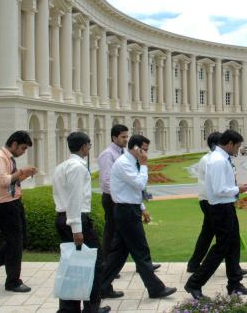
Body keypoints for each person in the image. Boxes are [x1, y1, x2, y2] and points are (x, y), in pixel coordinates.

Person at [101, 135, 176, 299]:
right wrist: (143, 165)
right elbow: (140, 184)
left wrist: (142, 208)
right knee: (141, 251)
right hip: (126, 212)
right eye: (145, 150)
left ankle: (101, 287)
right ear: (135, 148)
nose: (146, 154)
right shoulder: (124, 164)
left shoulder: (130, 162)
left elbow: (133, 191)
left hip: (130, 209)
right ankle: (155, 288)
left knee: (118, 254)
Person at [184, 130, 247, 299]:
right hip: (220, 209)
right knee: (221, 248)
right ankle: (194, 283)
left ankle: (235, 284)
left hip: (226, 206)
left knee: (233, 245)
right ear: (229, 143)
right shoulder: (217, 161)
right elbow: (218, 189)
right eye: (237, 146)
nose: (238, 150)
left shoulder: (222, 159)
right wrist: (239, 189)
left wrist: (236, 189)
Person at [53, 132, 110, 313]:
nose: (89, 149)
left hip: (63, 217)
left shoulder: (61, 166)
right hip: (76, 220)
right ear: (84, 146)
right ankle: (91, 308)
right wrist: (77, 228)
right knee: (94, 263)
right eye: (89, 145)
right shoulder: (78, 167)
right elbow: (74, 198)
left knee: (72, 265)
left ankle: (68, 309)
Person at [0, 130, 37, 292]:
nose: (23, 152)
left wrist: (25, 175)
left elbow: (13, 182)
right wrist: (22, 171)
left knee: (19, 241)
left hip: (14, 202)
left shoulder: (8, 158)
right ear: (14, 144)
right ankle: (13, 281)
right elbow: (4, 181)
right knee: (15, 244)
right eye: (23, 148)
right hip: (3, 205)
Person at [98, 124, 159, 279]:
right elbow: (109, 181)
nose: (126, 139)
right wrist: (117, 195)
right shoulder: (112, 156)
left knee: (120, 247)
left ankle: (104, 282)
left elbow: (134, 187)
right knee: (118, 237)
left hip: (126, 202)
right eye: (123, 137)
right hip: (117, 202)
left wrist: (141, 205)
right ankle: (153, 284)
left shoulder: (126, 156)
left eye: (127, 136)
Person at [187, 131, 221, 273]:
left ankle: (194, 264)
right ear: (215, 145)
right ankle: (201, 265)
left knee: (207, 234)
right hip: (211, 201)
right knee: (224, 236)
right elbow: (216, 184)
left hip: (207, 200)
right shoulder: (211, 160)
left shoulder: (209, 158)